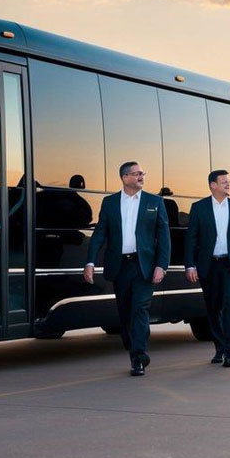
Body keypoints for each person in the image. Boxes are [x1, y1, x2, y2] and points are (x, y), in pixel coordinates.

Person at [85, 161, 171, 376]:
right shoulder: (110, 203)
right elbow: (100, 234)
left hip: (144, 267)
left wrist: (162, 265)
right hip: (120, 266)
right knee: (125, 312)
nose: (141, 176)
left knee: (140, 309)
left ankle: (138, 356)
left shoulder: (155, 202)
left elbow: (164, 237)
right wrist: (90, 262)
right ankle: (133, 347)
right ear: (124, 178)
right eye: (137, 174)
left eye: (143, 173)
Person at [185, 170, 230, 367]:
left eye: (228, 181)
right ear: (213, 185)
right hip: (209, 266)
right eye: (223, 182)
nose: (228, 184)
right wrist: (190, 265)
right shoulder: (199, 208)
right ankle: (219, 347)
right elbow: (191, 239)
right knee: (213, 307)